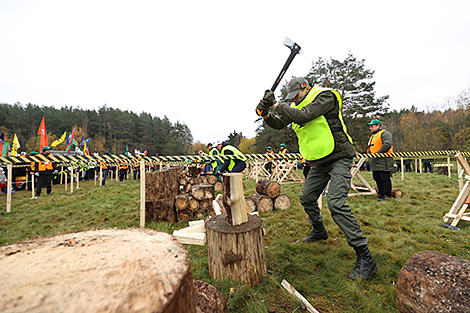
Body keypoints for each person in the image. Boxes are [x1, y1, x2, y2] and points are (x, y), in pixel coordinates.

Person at [256, 76, 377, 281]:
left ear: (305, 87)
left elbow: (305, 115)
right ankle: (320, 231)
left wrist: (276, 103)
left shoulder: (325, 96)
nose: (293, 101)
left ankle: (365, 257)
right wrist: (266, 113)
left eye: (295, 96)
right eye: (291, 99)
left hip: (339, 156)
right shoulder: (297, 105)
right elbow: (278, 124)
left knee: (336, 203)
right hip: (319, 162)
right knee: (307, 198)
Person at [367, 119, 394, 201]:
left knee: (384, 178)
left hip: (384, 160)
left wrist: (378, 154)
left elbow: (387, 144)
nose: (370, 128)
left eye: (372, 126)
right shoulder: (373, 136)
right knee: (377, 177)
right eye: (370, 127)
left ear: (378, 126)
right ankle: (381, 194)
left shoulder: (385, 133)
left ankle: (387, 195)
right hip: (375, 160)